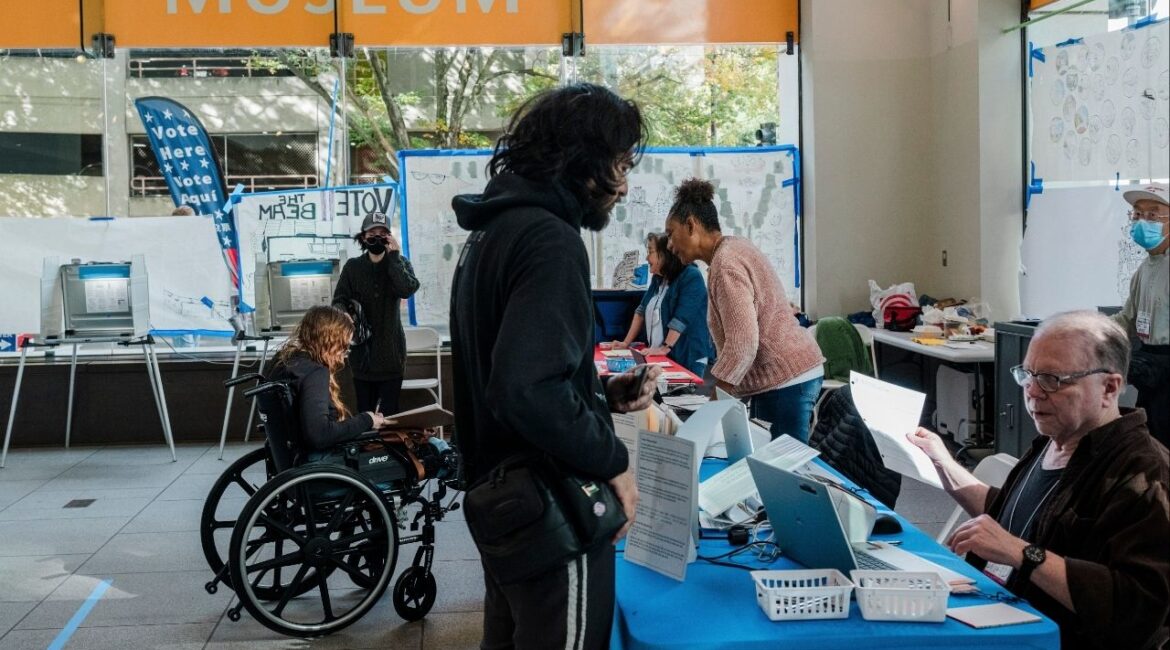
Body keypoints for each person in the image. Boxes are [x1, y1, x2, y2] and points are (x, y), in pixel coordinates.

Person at [450, 82, 660, 650]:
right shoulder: (550, 241)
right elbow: (524, 389)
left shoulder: (493, 231)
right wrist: (612, 461)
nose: (624, 184)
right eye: (619, 163)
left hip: (504, 505)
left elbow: (508, 369)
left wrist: (598, 394)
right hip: (552, 513)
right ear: (583, 162)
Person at [907, 311, 1169, 650]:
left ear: (1109, 387)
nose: (1032, 391)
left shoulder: (1144, 473)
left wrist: (1023, 554)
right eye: (1028, 375)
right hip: (1000, 617)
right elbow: (1009, 519)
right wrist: (941, 460)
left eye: (1053, 379)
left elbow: (1137, 608)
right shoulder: (1054, 440)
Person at [663, 178, 824, 443]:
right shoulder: (733, 249)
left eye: (671, 233)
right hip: (785, 377)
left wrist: (710, 411)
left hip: (786, 380)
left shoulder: (725, 264)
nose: (669, 244)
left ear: (691, 225)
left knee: (780, 474)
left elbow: (742, 345)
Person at [332, 211, 420, 416]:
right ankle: (369, 448)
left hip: (391, 353)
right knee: (365, 414)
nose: (377, 238)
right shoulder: (353, 267)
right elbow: (338, 300)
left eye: (383, 233)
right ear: (363, 237)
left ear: (389, 237)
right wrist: (345, 315)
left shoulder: (399, 263)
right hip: (361, 354)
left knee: (391, 416)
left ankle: (390, 449)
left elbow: (407, 289)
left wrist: (395, 257)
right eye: (372, 233)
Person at [269, 305, 387, 452]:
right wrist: (368, 419)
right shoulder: (314, 372)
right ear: (329, 341)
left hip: (290, 453)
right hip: (321, 459)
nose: (343, 357)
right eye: (343, 347)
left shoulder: (283, 360)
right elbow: (319, 434)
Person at [1111, 182, 1169, 449]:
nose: (1143, 221)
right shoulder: (1145, 269)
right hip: (1151, 371)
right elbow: (1127, 320)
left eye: (1154, 214)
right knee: (1149, 446)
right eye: (1137, 214)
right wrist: (1089, 332)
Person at [612, 232, 714, 376]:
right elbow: (641, 311)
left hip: (687, 354)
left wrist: (665, 348)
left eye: (650, 252)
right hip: (662, 354)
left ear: (665, 254)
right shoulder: (659, 278)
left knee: (682, 396)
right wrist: (625, 343)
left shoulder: (691, 276)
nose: (647, 258)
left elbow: (681, 319)